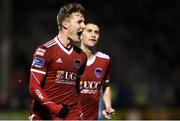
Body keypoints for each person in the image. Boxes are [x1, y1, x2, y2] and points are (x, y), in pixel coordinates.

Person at [28, 3, 87, 120]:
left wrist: (79, 112)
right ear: (65, 24)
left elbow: (76, 88)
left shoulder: (81, 56)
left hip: (71, 115)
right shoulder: (45, 50)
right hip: (45, 115)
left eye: (84, 22)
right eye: (79, 22)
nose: (84, 26)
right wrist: (55, 108)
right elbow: (34, 87)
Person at [79, 22, 115, 120]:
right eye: (89, 31)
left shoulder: (105, 60)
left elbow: (105, 85)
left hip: (92, 117)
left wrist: (108, 106)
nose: (93, 35)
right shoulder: (70, 57)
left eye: (96, 32)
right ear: (81, 35)